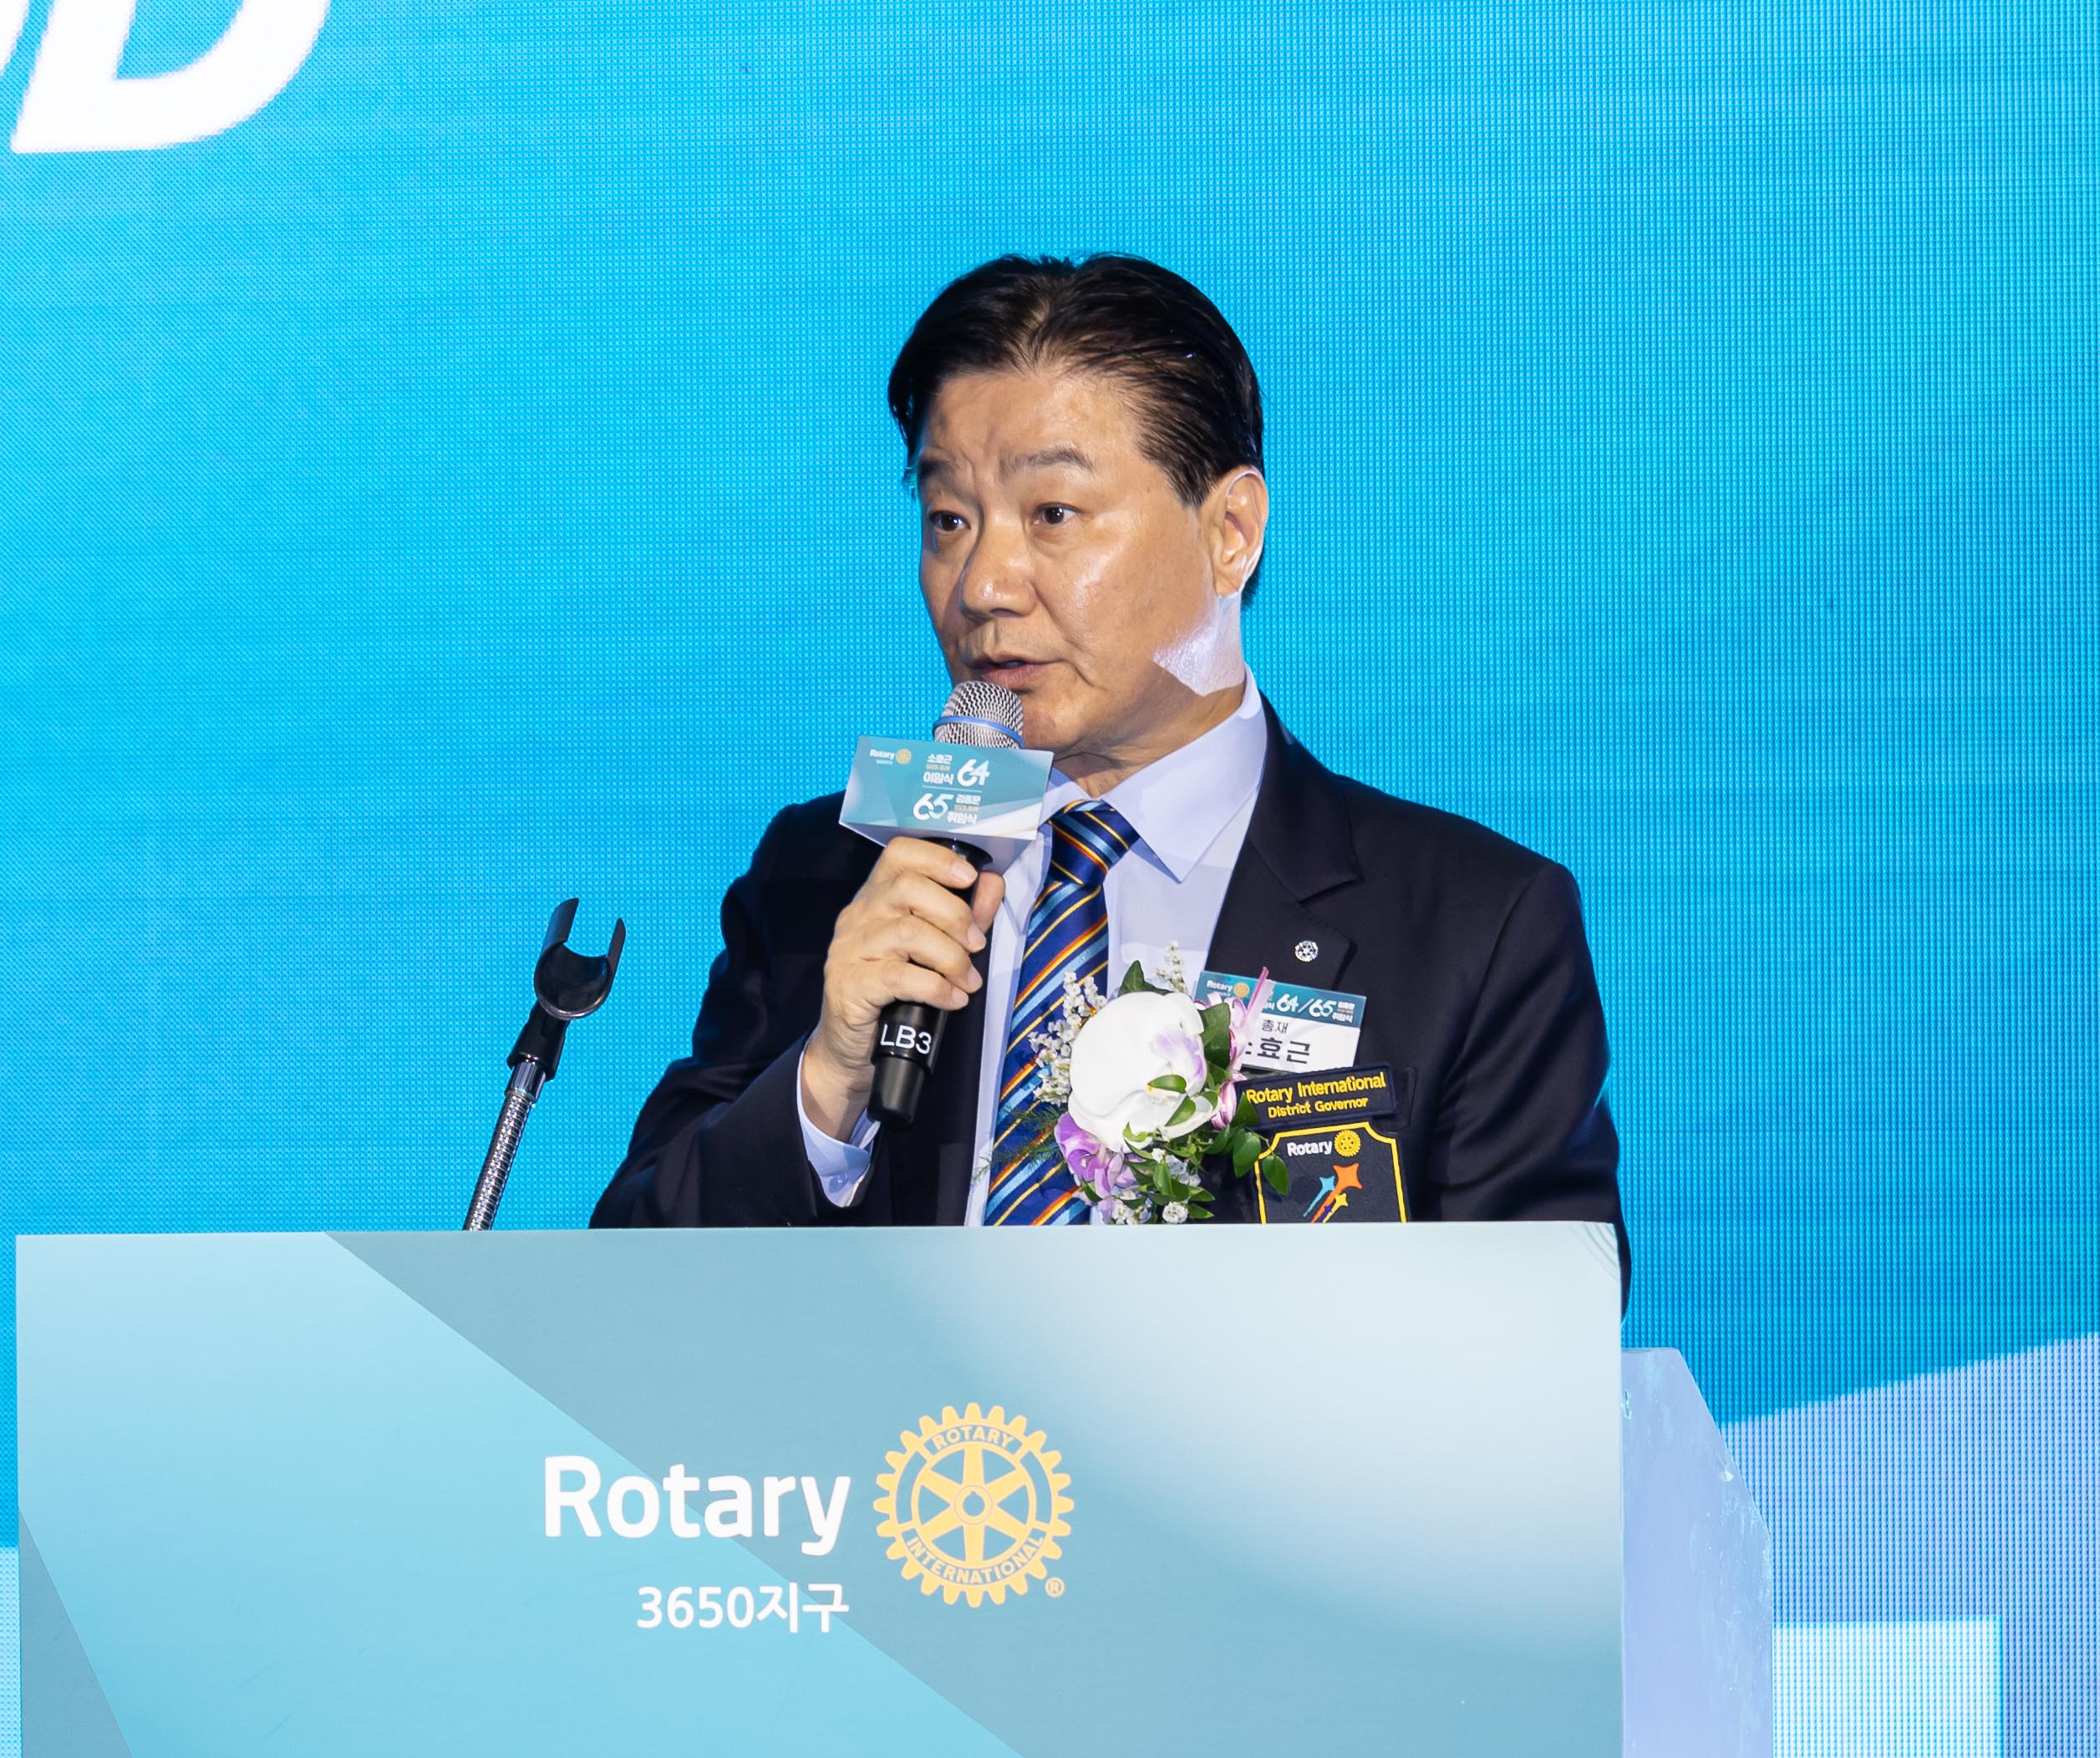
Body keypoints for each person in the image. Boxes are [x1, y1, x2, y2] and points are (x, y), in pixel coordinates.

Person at [592, 252, 1624, 1271]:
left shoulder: (1472, 926)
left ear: (1232, 531)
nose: (984, 584)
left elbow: (1537, 1333)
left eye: (1053, 515)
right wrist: (825, 1087)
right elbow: (627, 1291)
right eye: (949, 520)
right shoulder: (828, 872)